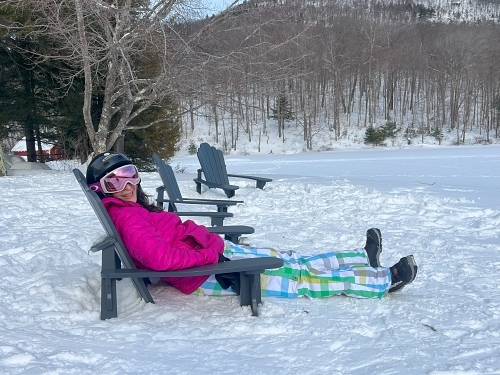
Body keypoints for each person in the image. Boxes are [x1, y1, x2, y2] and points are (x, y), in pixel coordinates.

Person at [86, 151, 418, 299]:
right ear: (102, 190)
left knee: (289, 259)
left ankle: (360, 258)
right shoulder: (127, 217)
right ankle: (384, 280)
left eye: (129, 175)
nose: (127, 186)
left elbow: (173, 241)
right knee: (297, 277)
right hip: (204, 274)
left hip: (210, 255)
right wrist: (209, 254)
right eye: (114, 182)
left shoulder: (133, 209)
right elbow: (162, 260)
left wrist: (211, 244)